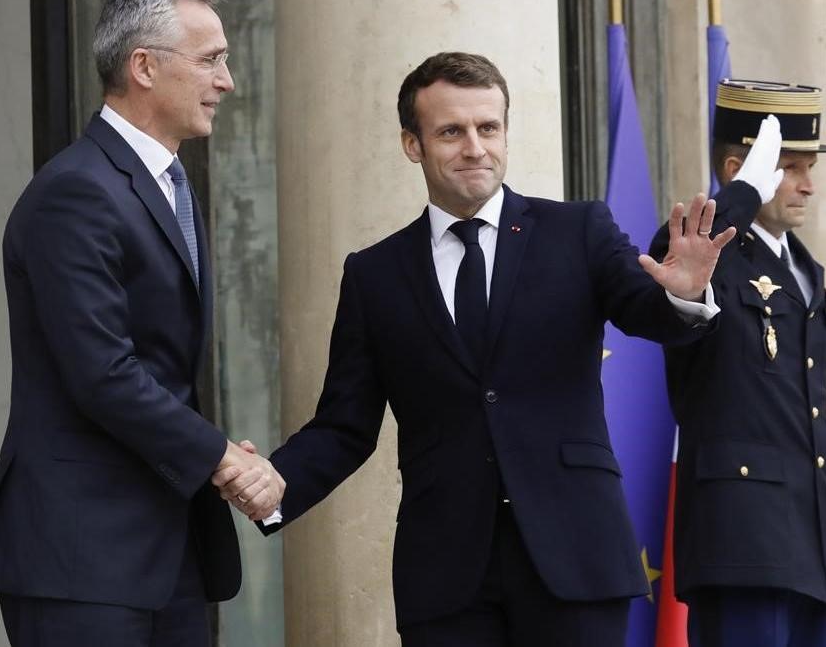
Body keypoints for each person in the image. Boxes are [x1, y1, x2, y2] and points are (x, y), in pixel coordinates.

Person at [219, 52, 780, 646]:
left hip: (577, 560)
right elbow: (345, 425)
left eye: (489, 128)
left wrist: (687, 296)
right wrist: (278, 480)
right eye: (450, 132)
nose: (474, 148)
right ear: (413, 145)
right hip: (446, 579)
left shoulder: (578, 231)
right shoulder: (374, 275)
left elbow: (650, 312)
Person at [0, 0, 282, 645]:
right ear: (144, 67)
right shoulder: (76, 192)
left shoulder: (169, 183)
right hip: (84, 559)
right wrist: (222, 456)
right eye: (211, 59)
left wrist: (214, 455)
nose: (228, 81)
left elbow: (161, 369)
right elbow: (102, 370)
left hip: (172, 551)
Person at [650, 79, 826, 647]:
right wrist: (739, 195)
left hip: (809, 542)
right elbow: (675, 257)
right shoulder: (706, 255)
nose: (809, 186)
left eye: (811, 168)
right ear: (743, 169)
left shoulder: (805, 270)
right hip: (740, 541)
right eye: (790, 168)